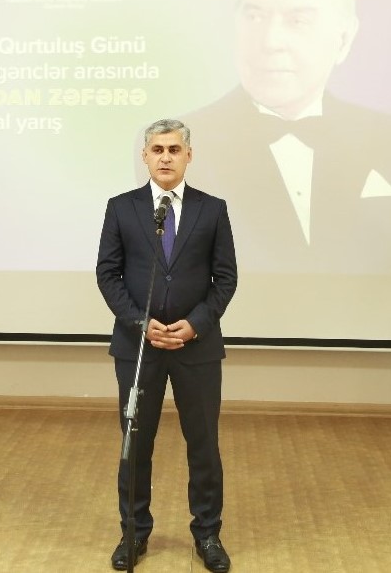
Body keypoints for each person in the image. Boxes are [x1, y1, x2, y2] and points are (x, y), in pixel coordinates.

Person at [186, 0, 391, 275]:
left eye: (298, 20)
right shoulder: (177, 145)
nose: (270, 41)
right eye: (254, 17)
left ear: (344, 38)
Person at [96, 119, 237, 572]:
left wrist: (194, 325)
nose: (165, 157)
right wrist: (141, 323)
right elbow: (108, 275)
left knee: (204, 444)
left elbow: (225, 278)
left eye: (174, 149)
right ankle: (133, 534)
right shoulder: (121, 208)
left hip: (197, 348)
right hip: (139, 348)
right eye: (157, 149)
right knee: (136, 444)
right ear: (145, 156)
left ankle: (208, 534)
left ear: (188, 156)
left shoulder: (212, 210)